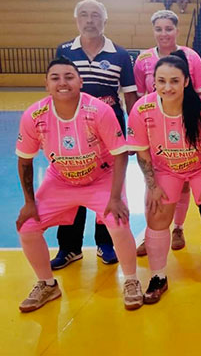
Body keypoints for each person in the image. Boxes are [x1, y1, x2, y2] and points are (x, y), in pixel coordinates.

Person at [15, 57, 143, 312]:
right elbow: (25, 161)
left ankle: (131, 281)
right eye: (55, 78)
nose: (62, 82)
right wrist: (30, 203)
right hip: (60, 180)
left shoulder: (98, 111)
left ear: (80, 81)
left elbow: (119, 154)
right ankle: (47, 284)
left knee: (118, 222)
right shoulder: (35, 115)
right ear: (46, 84)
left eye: (69, 77)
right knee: (28, 227)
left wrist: (116, 197)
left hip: (101, 178)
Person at [128, 51, 201, 302]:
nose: (167, 86)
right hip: (165, 170)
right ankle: (158, 277)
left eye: (174, 80)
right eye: (161, 80)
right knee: (157, 215)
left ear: (186, 81)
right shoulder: (143, 108)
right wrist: (151, 186)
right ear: (154, 82)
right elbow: (142, 151)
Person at [52, 0, 137, 270]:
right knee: (72, 183)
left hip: (109, 133)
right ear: (77, 20)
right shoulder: (65, 51)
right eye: (84, 15)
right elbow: (57, 89)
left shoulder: (120, 54)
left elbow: (131, 96)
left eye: (96, 15)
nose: (90, 20)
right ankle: (69, 247)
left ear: (105, 21)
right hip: (71, 131)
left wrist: (134, 135)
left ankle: (105, 242)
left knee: (109, 187)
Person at [133, 9, 201, 257]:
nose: (164, 33)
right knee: (152, 180)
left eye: (168, 28)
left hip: (185, 124)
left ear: (176, 30)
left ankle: (178, 228)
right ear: (153, 31)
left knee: (183, 182)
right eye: (158, 29)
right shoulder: (143, 59)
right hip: (155, 128)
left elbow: (200, 93)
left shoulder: (191, 57)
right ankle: (150, 230)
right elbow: (141, 93)